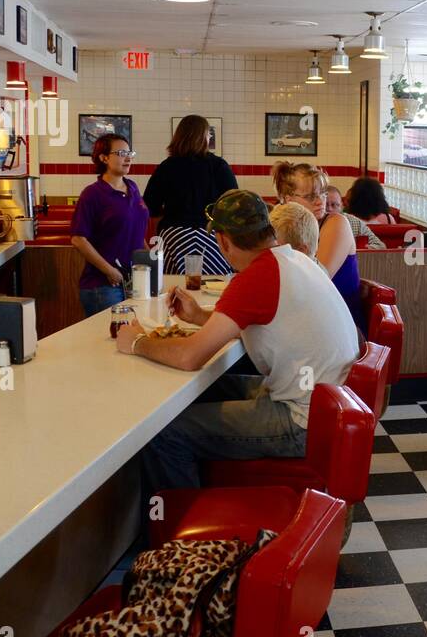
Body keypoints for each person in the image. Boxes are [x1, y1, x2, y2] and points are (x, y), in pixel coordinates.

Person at [120, 190, 359, 490]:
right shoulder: (294, 259)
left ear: (223, 241)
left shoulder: (256, 277)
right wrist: (198, 316)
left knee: (164, 432)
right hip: (328, 405)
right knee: (209, 388)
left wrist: (137, 341)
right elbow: (260, 320)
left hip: (302, 421)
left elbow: (188, 357)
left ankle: (182, 528)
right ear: (267, 228)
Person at [274, 161, 366, 333]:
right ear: (287, 199)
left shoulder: (336, 223)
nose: (320, 201)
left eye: (322, 194)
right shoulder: (286, 227)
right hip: (308, 321)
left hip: (343, 329)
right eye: (310, 196)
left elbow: (318, 279)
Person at [142, 114, 237, 276]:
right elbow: (234, 204)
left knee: (174, 287)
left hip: (174, 236)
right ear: (203, 136)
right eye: (208, 133)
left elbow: (150, 206)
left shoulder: (167, 167)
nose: (209, 137)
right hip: (211, 236)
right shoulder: (219, 166)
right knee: (214, 286)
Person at [69, 134, 148, 317]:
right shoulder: (92, 194)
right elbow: (78, 239)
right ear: (104, 157)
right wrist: (109, 270)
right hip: (104, 286)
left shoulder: (133, 187)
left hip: (133, 281)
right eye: (121, 153)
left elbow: (135, 229)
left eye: (129, 153)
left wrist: (148, 260)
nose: (128, 158)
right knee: (110, 341)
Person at [328, 185, 384, 249]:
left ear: (341, 206)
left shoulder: (355, 223)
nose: (329, 209)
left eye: (334, 205)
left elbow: (380, 246)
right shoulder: (314, 223)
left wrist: (359, 249)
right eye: (325, 205)